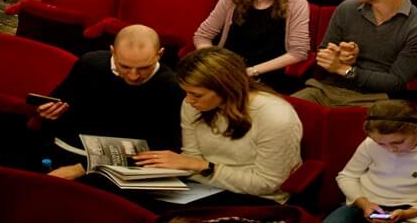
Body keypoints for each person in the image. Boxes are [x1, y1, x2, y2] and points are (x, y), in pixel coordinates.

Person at [100, 46, 301, 210]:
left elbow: (268, 184)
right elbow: (192, 156)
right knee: (119, 199)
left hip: (260, 198)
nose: (188, 101)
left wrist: (202, 166)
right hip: (204, 186)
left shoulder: (275, 117)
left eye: (196, 94)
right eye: (186, 93)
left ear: (226, 88)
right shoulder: (193, 104)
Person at [39, 25, 184, 176]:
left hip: (124, 166)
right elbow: (61, 103)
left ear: (160, 54)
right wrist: (49, 112)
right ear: (112, 52)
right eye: (125, 66)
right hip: (68, 149)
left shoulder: (171, 86)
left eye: (143, 68)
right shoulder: (90, 63)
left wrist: (81, 168)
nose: (133, 76)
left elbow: (157, 146)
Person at [192, 0, 311, 81]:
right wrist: (214, 64)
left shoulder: (295, 1)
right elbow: (202, 36)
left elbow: (299, 53)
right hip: (228, 69)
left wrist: (251, 71)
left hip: (268, 73)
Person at [327, 99, 417, 223]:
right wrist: (364, 204)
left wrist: (408, 214)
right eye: (380, 144)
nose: (391, 150)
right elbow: (347, 176)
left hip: (411, 209)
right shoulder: (370, 143)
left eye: (398, 142)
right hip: (364, 203)